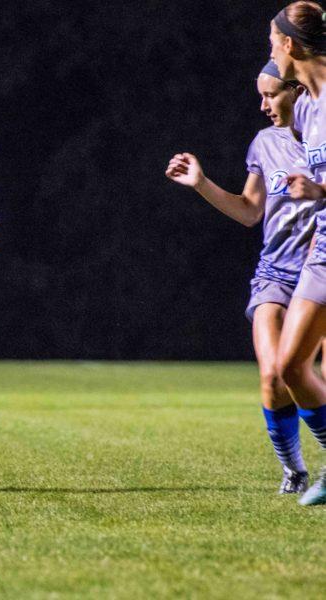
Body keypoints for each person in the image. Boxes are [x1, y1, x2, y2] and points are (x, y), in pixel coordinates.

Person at [166, 60, 318, 494]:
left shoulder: (322, 137)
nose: (262, 104)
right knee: (273, 376)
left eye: (270, 94)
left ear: (298, 90)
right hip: (277, 275)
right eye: (261, 95)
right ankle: (294, 469)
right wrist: (200, 183)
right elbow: (250, 211)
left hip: (321, 273)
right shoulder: (264, 143)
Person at [268, 0, 326, 505]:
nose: (270, 51)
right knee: (289, 367)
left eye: (271, 41)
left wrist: (321, 192)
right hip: (324, 249)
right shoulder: (306, 107)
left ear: (289, 44)